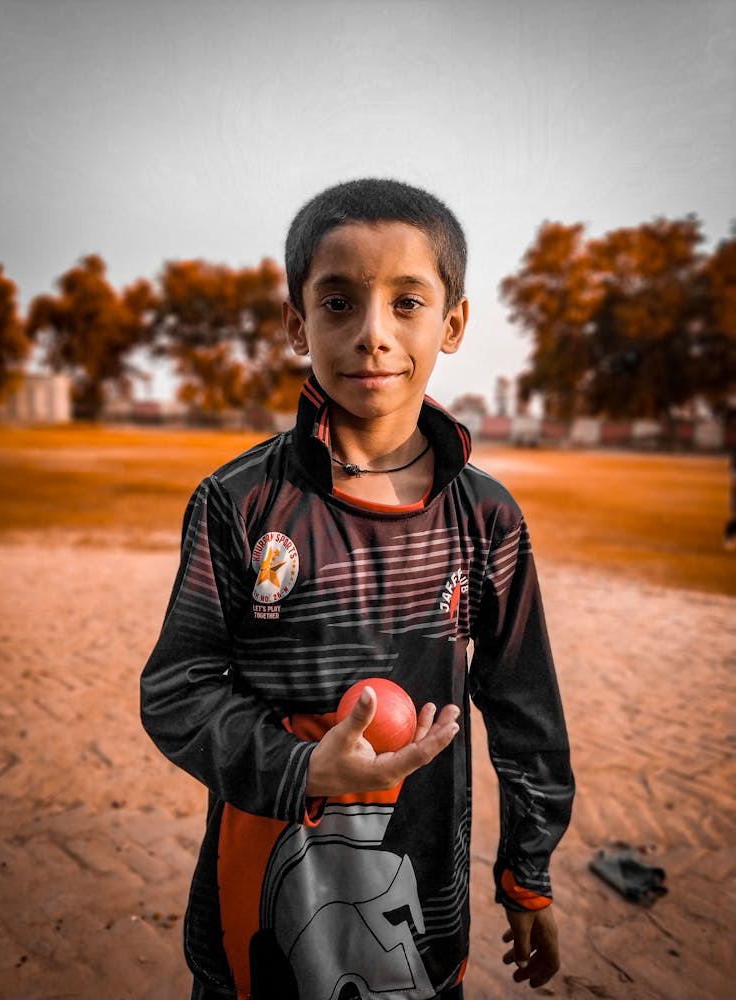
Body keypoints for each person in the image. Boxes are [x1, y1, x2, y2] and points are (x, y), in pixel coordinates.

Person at [140, 178, 574, 1000]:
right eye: (338, 302)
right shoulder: (239, 502)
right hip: (259, 905)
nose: (372, 334)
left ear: (451, 324)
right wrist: (302, 767)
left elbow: (525, 710)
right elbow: (175, 690)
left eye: (406, 302)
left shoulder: (485, 518)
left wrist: (528, 871)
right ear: (297, 323)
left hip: (418, 912)